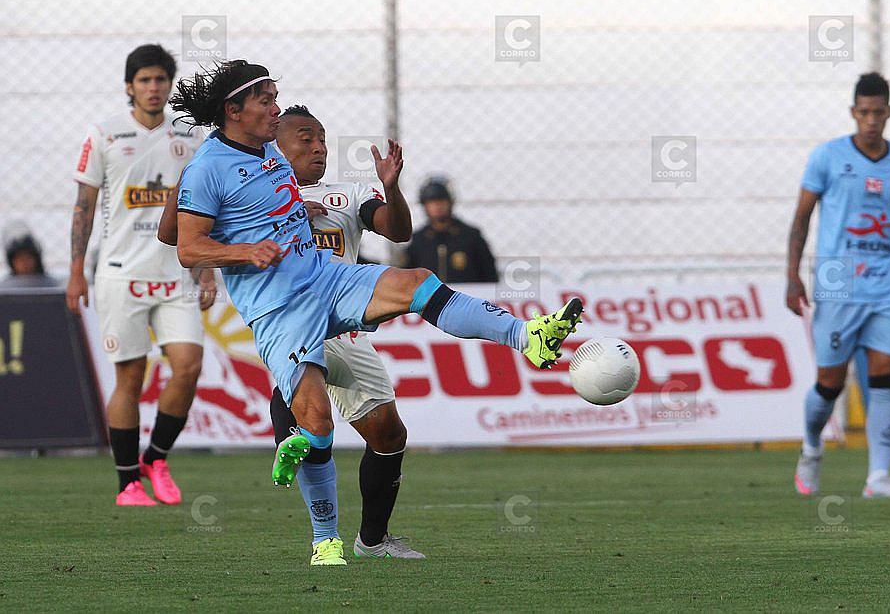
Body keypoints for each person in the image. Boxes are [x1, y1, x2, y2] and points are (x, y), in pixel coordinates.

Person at [167, 60, 582, 566]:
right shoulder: (208, 165)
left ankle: (528, 337)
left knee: (416, 283)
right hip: (278, 307)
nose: (277, 109)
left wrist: (307, 210)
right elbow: (188, 248)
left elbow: (286, 200)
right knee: (319, 423)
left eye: (277, 98)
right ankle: (325, 537)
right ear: (233, 111)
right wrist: (243, 252)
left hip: (325, 276)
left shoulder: (271, 150)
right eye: (267, 100)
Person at [158, 104, 423, 558]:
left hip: (347, 328)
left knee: (389, 435)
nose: (318, 147)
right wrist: (198, 169)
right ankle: (311, 499)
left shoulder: (348, 193)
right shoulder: (243, 190)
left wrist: (391, 189)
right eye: (305, 138)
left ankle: (372, 540)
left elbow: (396, 232)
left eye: (322, 138)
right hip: (287, 319)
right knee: (303, 386)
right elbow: (174, 236)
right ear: (273, 143)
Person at [66, 44, 216, 507]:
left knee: (188, 366)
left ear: (170, 85)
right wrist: (77, 273)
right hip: (119, 275)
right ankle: (128, 482)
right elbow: (83, 208)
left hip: (176, 275)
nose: (153, 88)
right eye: (144, 80)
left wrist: (206, 266)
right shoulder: (105, 134)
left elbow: (208, 209)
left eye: (160, 80)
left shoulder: (190, 138)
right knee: (130, 378)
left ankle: (157, 457)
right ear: (129, 85)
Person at [786, 72, 890, 499]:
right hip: (838, 284)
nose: (871, 120)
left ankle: (878, 477)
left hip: (889, 284)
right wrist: (792, 275)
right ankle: (811, 447)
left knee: (885, 378)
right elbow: (802, 218)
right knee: (829, 384)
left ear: (889, 113)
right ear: (853, 112)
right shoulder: (827, 157)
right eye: (864, 112)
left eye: (879, 112)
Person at [403, 175, 499, 283]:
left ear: (450, 202)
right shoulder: (419, 240)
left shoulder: (470, 236)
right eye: (431, 202)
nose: (437, 206)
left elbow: (490, 276)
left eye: (441, 200)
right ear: (424, 205)